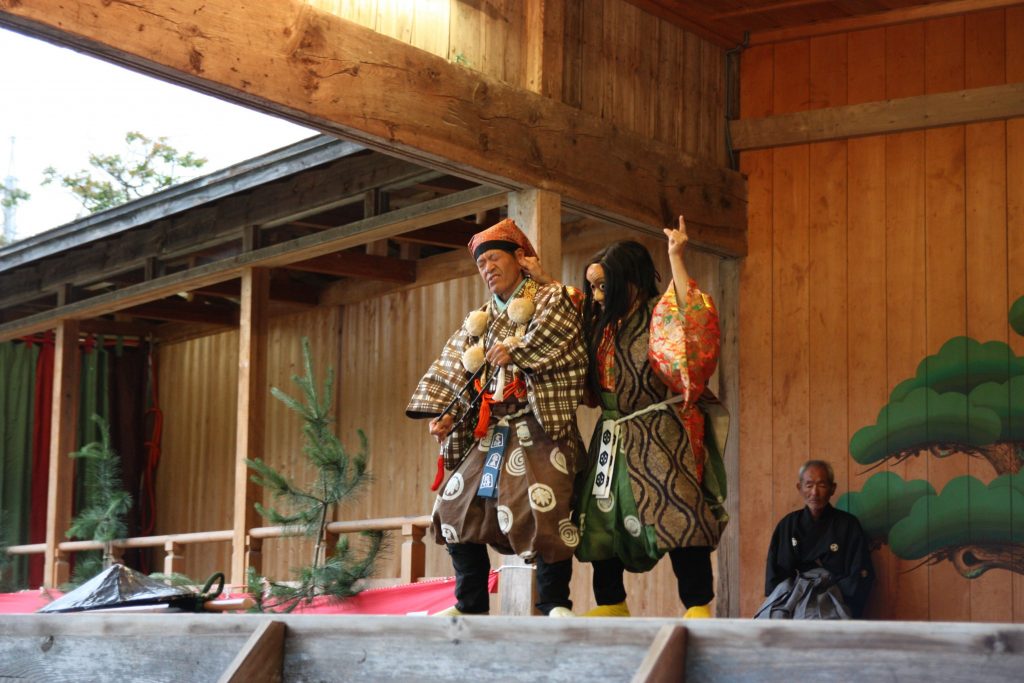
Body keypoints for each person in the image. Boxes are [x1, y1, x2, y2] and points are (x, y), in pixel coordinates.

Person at [406, 218, 588, 617]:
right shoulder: (479, 320)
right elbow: (453, 369)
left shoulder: (550, 298)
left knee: (546, 507)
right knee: (453, 508)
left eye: (493, 259)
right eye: (481, 264)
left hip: (537, 427)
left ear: (519, 259)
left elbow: (564, 338)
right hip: (490, 432)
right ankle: (468, 604)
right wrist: (447, 413)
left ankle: (556, 603)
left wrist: (518, 352)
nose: (487, 268)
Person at [574, 216, 729, 619]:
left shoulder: (658, 313)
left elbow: (688, 320)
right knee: (598, 519)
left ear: (632, 281)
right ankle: (611, 601)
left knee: (681, 514)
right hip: (611, 434)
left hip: (658, 431)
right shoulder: (600, 327)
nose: (595, 295)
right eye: (592, 286)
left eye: (603, 286)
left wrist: (677, 257)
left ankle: (697, 604)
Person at [760, 460, 874, 619]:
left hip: (832, 597)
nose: (814, 492)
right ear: (799, 488)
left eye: (821, 485)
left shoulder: (848, 525)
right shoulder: (788, 525)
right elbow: (776, 576)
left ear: (832, 489)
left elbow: (859, 574)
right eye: (809, 485)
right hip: (792, 597)